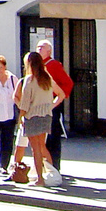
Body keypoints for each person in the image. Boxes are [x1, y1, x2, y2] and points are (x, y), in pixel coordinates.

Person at [14, 50, 67, 186]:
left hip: (32, 116)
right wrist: (50, 106)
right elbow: (61, 94)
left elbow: (25, 103)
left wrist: (20, 118)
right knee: (42, 146)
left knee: (35, 149)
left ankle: (40, 179)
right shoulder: (47, 78)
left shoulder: (29, 80)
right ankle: (52, 173)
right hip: (46, 116)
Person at [37, 39, 73, 170]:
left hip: (51, 105)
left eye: (42, 47)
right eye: (38, 47)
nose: (39, 49)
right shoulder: (36, 65)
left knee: (52, 136)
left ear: (49, 51)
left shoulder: (54, 65)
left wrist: (57, 100)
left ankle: (54, 165)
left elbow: (67, 83)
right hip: (37, 105)